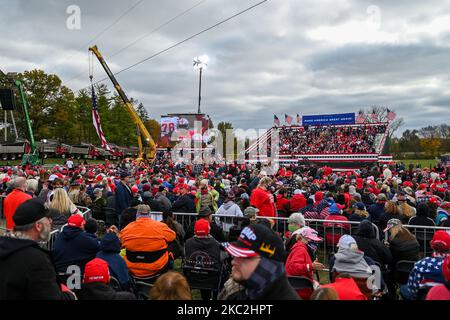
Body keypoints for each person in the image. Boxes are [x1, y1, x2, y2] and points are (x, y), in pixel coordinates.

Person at [0, 199, 76, 300]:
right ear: (38, 226)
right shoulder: (37, 260)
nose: (51, 221)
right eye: (48, 218)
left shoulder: (5, 244)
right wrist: (70, 296)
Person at [221, 223, 299, 300]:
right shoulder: (239, 294)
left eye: (245, 257)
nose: (233, 262)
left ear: (268, 264)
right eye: (235, 255)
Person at [120, 204, 176, 278]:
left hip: (132, 267)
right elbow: (172, 236)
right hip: (156, 266)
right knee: (170, 253)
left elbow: (121, 240)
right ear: (150, 214)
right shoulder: (160, 226)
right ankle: (168, 282)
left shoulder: (127, 228)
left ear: (137, 214)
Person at [400, 230, 450, 300]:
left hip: (424, 297)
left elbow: (412, 289)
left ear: (431, 244)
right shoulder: (448, 265)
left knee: (403, 288)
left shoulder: (420, 265)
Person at [184, 219, 225, 300]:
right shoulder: (216, 244)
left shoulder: (188, 243)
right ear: (209, 230)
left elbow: (185, 255)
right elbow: (223, 257)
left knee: (204, 273)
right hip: (212, 279)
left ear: (195, 231)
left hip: (193, 277)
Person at [285, 226, 324, 299]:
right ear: (303, 238)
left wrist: (312, 267)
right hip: (300, 290)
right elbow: (293, 267)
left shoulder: (302, 248)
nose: (314, 242)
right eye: (312, 239)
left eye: (315, 240)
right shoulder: (300, 249)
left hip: (298, 288)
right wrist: (310, 266)